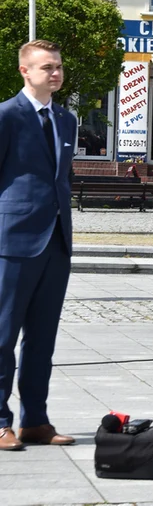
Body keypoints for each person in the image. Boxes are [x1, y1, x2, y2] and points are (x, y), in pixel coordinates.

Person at [0, 41, 78, 451]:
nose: (55, 73)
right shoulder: (5, 116)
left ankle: (35, 420)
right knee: (2, 335)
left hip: (56, 241)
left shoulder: (66, 119)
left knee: (42, 339)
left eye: (58, 67)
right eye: (46, 67)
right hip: (12, 243)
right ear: (24, 72)